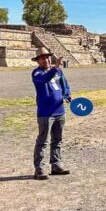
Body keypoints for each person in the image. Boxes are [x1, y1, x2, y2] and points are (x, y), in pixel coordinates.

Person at [31, 47, 72, 180]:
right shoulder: (37, 73)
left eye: (48, 57)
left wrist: (67, 95)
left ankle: (56, 164)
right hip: (45, 113)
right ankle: (39, 168)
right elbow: (45, 79)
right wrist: (55, 67)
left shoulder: (58, 72)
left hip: (59, 111)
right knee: (42, 141)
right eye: (43, 58)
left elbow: (64, 85)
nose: (47, 59)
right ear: (38, 61)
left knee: (57, 140)